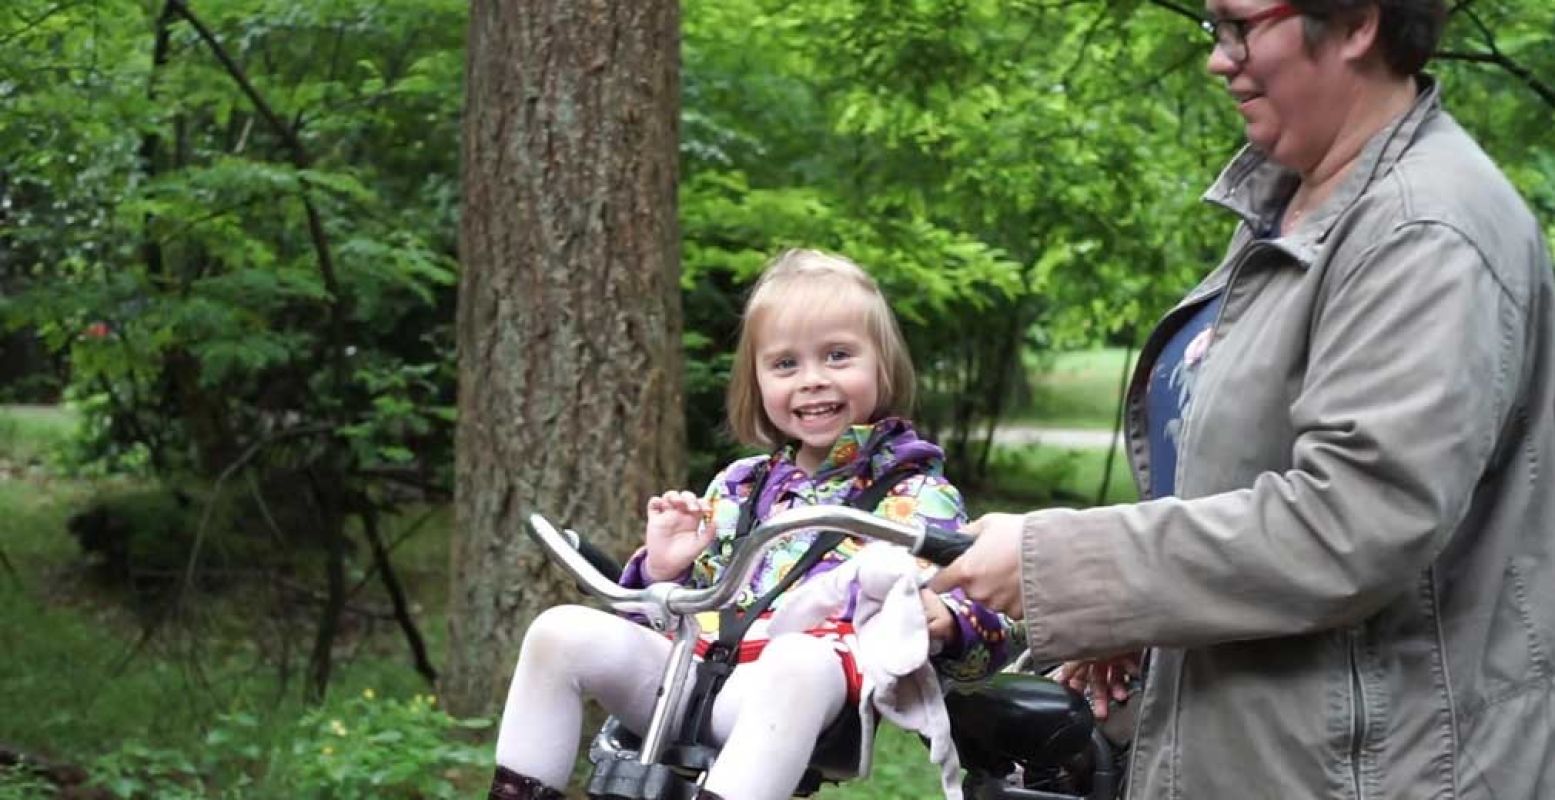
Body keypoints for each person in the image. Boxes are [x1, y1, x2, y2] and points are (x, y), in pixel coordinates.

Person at [931, 2, 1555, 797]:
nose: (1217, 59)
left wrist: (1059, 565)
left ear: (1357, 22)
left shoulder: (1422, 229)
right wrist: (1138, 615)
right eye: (1212, 28)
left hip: (1373, 774)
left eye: (1237, 25)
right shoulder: (1303, 204)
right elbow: (1241, 496)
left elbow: (1352, 524)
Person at [489, 249, 1020, 800]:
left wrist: (947, 620)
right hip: (686, 674)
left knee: (798, 658)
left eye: (837, 356)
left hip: (785, 693)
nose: (812, 380)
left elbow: (993, 624)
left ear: (882, 364)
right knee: (559, 630)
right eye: (786, 364)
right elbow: (665, 614)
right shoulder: (740, 485)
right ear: (758, 381)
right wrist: (662, 570)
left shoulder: (916, 495)